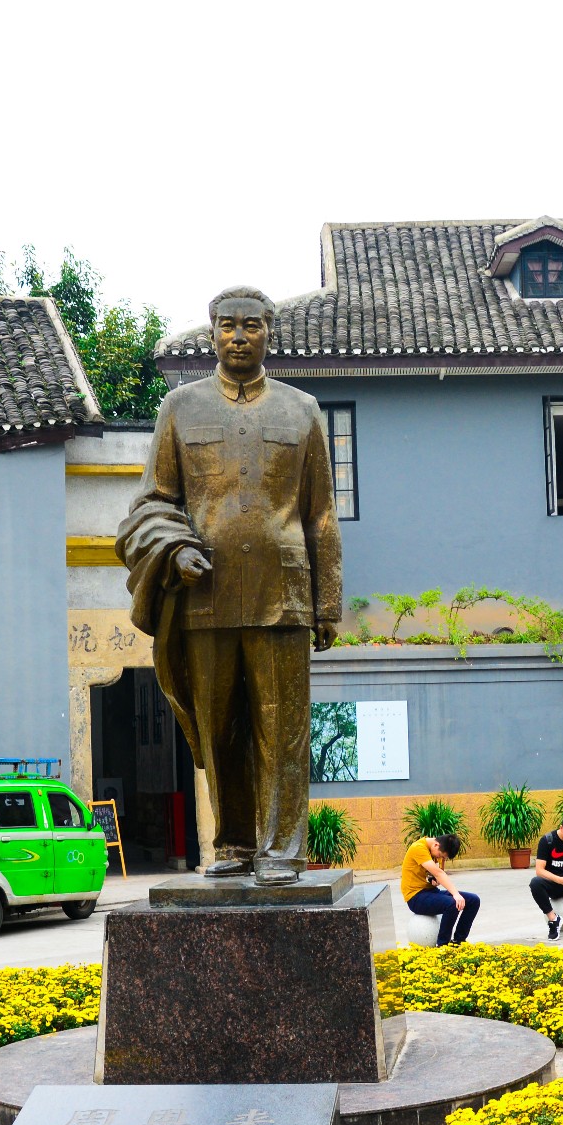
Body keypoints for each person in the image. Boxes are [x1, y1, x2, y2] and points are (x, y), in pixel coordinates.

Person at [115, 287, 344, 885]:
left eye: (251, 326)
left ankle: (283, 849)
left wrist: (327, 604)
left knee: (282, 732)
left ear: (270, 332)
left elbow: (321, 514)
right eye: (227, 326)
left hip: (284, 595)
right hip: (205, 595)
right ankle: (236, 843)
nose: (239, 337)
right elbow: (154, 501)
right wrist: (176, 547)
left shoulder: (303, 411)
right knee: (217, 729)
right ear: (211, 332)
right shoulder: (179, 408)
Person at [400, 833, 479, 946]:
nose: (440, 859)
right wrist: (455, 894)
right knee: (452, 904)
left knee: (473, 900)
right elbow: (438, 873)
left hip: (431, 892)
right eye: (441, 856)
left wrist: (432, 879)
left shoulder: (436, 850)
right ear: (436, 845)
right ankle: (442, 945)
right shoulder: (418, 848)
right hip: (416, 897)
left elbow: (434, 874)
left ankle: (458, 941)